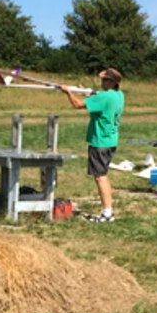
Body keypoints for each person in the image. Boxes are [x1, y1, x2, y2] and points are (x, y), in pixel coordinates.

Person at [60, 67, 125, 222]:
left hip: (100, 141)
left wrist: (68, 92)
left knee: (100, 177)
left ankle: (107, 213)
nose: (102, 82)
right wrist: (87, 94)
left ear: (112, 82)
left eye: (105, 80)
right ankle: (108, 210)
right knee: (103, 175)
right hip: (110, 140)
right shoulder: (119, 95)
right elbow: (99, 100)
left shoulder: (104, 97)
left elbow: (77, 104)